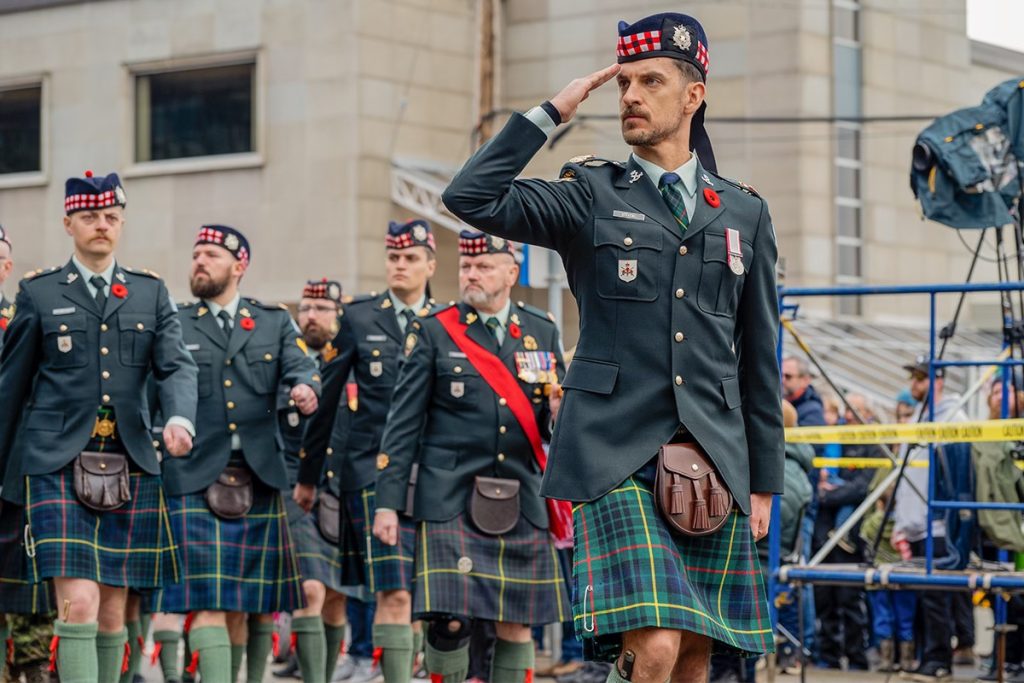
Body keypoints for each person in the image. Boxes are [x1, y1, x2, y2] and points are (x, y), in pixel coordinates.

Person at [441, 12, 783, 683]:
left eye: (650, 80)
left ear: (693, 95)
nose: (629, 94)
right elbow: (469, 196)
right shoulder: (589, 193)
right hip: (613, 453)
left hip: (716, 457)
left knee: (693, 656)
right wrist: (552, 111)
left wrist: (764, 477)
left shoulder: (744, 211)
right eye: (623, 80)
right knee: (653, 645)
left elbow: (759, 355)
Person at [0, 171, 198, 683]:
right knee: (80, 604)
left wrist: (178, 417)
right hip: (55, 462)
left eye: (111, 217)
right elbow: (10, 390)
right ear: (69, 222)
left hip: (129, 461)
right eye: (90, 217)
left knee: (114, 612)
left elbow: (176, 366)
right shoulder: (39, 293)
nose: (102, 225)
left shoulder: (150, 293)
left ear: (122, 222)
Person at [372, 231, 570, 683]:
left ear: (511, 272)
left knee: (516, 623)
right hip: (450, 498)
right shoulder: (434, 328)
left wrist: (557, 416)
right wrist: (387, 503)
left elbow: (548, 430)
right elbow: (402, 426)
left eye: (483, 266)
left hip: (520, 497)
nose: (471, 274)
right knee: (449, 621)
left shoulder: (541, 329)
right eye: (466, 266)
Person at [150, 224, 320, 682]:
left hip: (259, 474)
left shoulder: (272, 321)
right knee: (207, 604)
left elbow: (304, 368)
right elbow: (154, 391)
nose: (200, 261)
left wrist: (306, 388)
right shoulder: (175, 321)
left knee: (245, 609)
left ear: (239, 265)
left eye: (211, 254)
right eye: (196, 253)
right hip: (193, 474)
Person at [294, 219, 438, 683]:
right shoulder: (357, 318)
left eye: (410, 258)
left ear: (430, 265)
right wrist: (309, 478)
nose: (400, 265)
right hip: (372, 474)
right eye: (393, 257)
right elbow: (328, 403)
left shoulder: (447, 322)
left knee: (426, 596)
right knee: (393, 593)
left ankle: (415, 668)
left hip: (438, 476)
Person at [276, 278, 360, 683]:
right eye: (305, 308)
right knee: (310, 589)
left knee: (337, 599)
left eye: (320, 308)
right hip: (297, 488)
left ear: (339, 314)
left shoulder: (355, 359)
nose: (310, 315)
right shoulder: (286, 358)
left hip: (343, 489)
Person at [893, 356, 970, 682]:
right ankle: (929, 659)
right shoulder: (921, 419)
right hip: (917, 525)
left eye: (921, 379)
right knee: (925, 598)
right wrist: (902, 524)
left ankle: (939, 661)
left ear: (937, 381)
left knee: (936, 597)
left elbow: (954, 478)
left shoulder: (954, 417)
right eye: (913, 378)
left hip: (937, 524)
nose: (914, 385)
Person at [812, 393, 874, 671]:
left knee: (851, 600)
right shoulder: (832, 442)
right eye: (846, 409)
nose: (849, 415)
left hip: (852, 535)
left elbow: (863, 487)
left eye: (855, 410)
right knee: (825, 598)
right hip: (825, 533)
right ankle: (829, 657)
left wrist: (830, 495)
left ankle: (858, 658)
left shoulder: (872, 443)